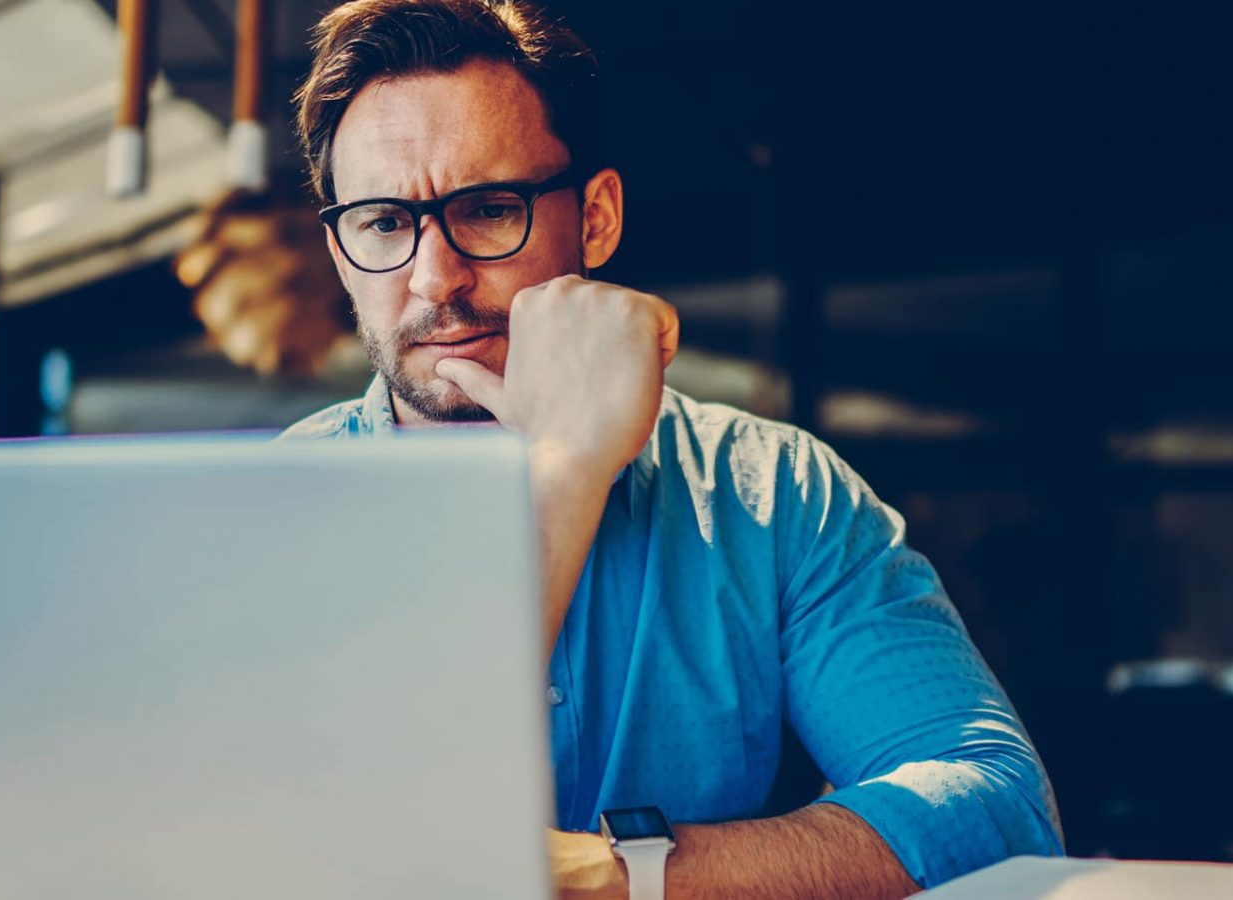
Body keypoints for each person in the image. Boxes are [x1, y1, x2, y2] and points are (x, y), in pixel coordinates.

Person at [279, 1, 1062, 896]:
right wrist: (565, 468)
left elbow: (999, 811)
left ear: (598, 218)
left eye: (489, 210)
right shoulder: (262, 518)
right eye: (383, 223)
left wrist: (618, 877)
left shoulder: (778, 496)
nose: (434, 277)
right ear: (339, 253)